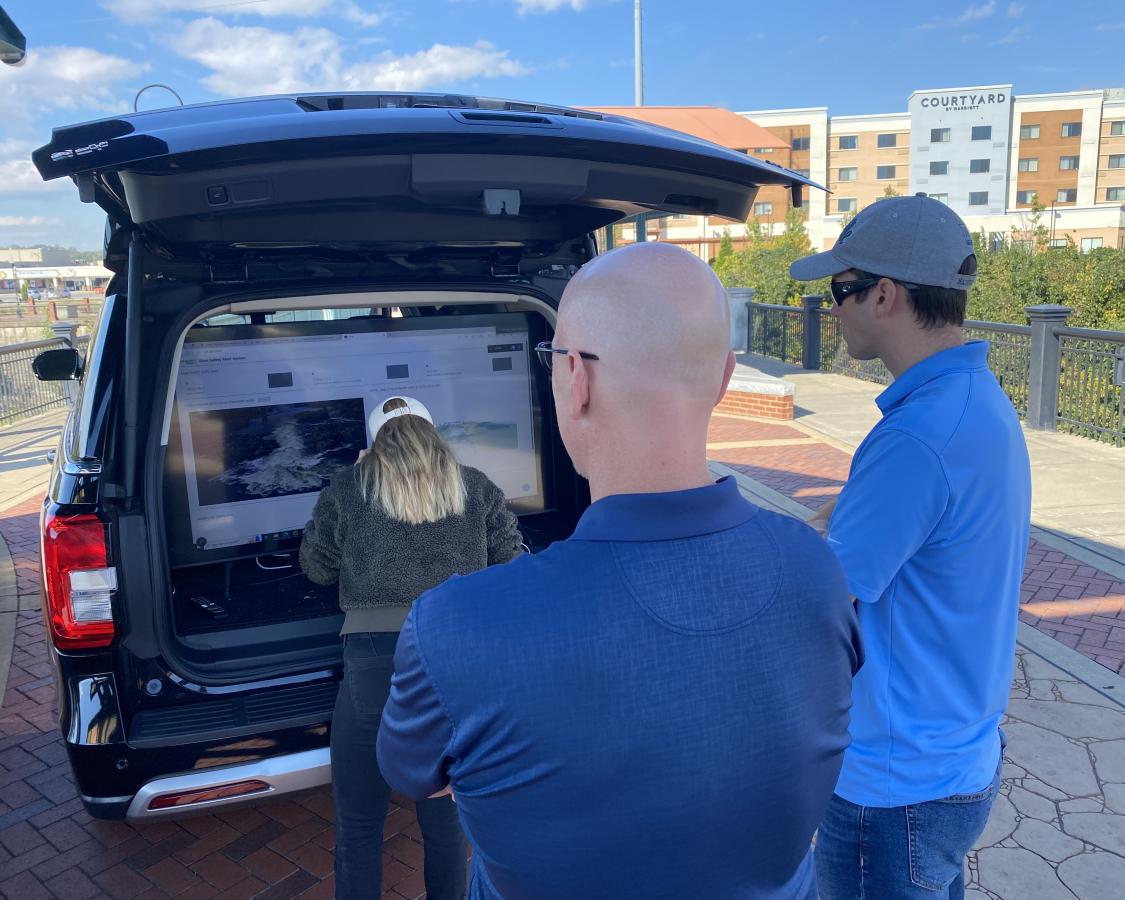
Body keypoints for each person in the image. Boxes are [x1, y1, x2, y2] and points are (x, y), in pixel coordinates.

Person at [375, 242, 862, 899]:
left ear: (577, 378)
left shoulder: (455, 625)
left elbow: (415, 775)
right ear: (722, 378)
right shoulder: (817, 570)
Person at [790, 194, 1032, 900]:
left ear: (885, 295)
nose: (831, 307)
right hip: (955, 756)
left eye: (840, 289)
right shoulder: (976, 400)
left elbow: (823, 593)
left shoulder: (915, 438)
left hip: (894, 788)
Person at [300, 395, 523, 900]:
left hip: (374, 661)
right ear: (433, 435)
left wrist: (355, 483)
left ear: (375, 445)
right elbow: (510, 561)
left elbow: (316, 566)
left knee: (358, 825)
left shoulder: (349, 488)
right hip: (457, 656)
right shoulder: (476, 486)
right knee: (445, 825)